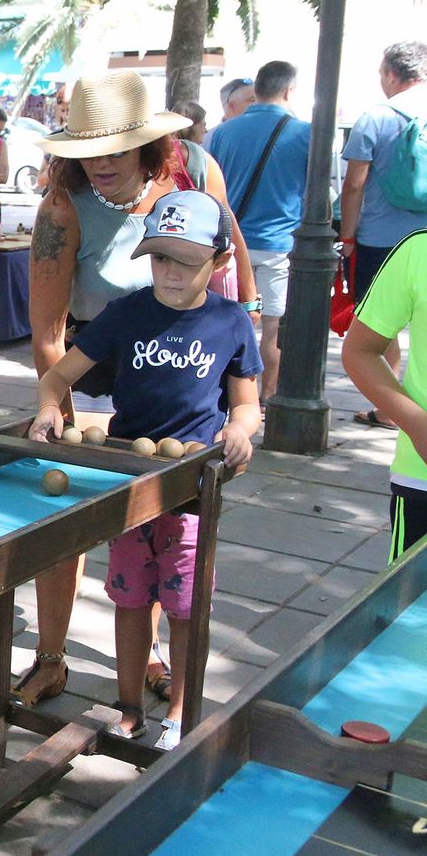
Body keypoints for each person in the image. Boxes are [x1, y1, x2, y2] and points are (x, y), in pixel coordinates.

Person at [18, 69, 259, 708]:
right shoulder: (62, 207)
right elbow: (48, 332)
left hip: (181, 373)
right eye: (86, 150)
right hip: (93, 362)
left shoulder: (196, 170)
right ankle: (50, 655)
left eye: (115, 150)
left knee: (159, 525)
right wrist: (61, 420)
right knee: (64, 518)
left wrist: (239, 377)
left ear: (145, 145)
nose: (99, 164)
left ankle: (148, 659)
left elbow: (227, 250)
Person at [206, 60, 312, 402]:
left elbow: (208, 190)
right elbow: (319, 195)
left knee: (225, 321)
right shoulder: (305, 134)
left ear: (258, 90)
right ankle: (267, 396)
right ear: (288, 90)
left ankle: (222, 393)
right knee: (272, 328)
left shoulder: (223, 133)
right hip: (280, 244)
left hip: (229, 246)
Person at [339, 41, 427, 430]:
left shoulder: (375, 117)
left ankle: (390, 407)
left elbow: (354, 185)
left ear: (392, 74)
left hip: (380, 238)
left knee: (377, 325)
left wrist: (348, 235)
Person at [343, 231, 427, 561]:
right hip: (422, 478)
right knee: (413, 609)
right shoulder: (417, 251)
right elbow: (361, 350)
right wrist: (418, 425)